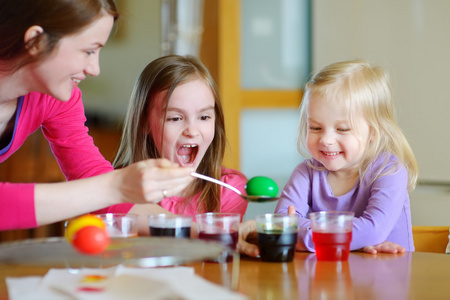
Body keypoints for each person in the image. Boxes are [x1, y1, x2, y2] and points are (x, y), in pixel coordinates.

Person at [0, 0, 193, 231]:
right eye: (89, 51)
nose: (95, 69)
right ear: (37, 41)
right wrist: (114, 186)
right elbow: (104, 188)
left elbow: (93, 179)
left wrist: (204, 231)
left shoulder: (58, 98)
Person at [238, 59, 418, 256]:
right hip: (325, 279)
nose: (326, 139)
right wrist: (356, 240)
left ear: (374, 133)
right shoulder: (305, 174)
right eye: (315, 128)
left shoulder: (389, 171)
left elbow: (373, 230)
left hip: (383, 280)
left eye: (342, 129)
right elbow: (283, 223)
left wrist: (301, 233)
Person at [95, 55, 248, 234]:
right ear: (144, 123)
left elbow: (221, 250)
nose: (192, 130)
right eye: (175, 118)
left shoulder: (229, 191)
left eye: (204, 117)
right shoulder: (119, 188)